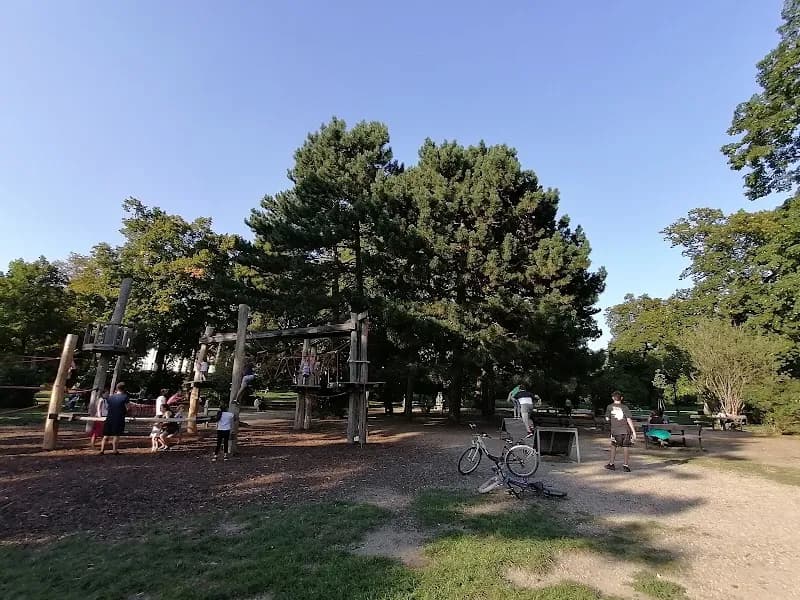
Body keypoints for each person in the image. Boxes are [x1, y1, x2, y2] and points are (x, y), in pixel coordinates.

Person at [604, 390, 637, 472]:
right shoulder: (625, 407)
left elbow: (607, 418)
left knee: (613, 446)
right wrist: (634, 432)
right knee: (626, 447)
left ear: (612, 398)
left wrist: (609, 419)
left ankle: (611, 464)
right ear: (621, 398)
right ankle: (626, 465)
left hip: (615, 431)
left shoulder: (609, 407)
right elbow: (629, 419)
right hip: (626, 430)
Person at [99, 383, 130, 455]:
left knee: (106, 435)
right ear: (124, 389)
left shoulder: (110, 397)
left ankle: (102, 450)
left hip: (109, 417)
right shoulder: (125, 397)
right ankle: (115, 450)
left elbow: (108, 407)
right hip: (119, 418)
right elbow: (128, 408)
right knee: (116, 435)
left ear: (116, 388)